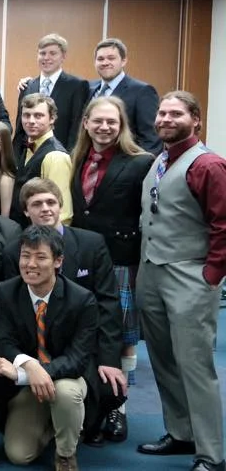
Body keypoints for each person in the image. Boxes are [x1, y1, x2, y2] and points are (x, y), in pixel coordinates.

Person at [136, 91, 226, 471]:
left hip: (190, 275)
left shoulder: (208, 165)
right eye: (162, 113)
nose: (165, 119)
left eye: (176, 113)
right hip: (152, 272)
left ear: (196, 120)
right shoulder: (160, 159)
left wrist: (211, 275)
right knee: (163, 360)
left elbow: (223, 226)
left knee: (194, 364)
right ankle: (180, 432)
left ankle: (212, 453)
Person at [0, 225, 98, 470]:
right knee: (19, 455)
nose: (30, 264)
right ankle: (59, 426)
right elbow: (2, 340)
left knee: (63, 393)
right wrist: (30, 366)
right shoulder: (8, 290)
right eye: (25, 256)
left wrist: (29, 373)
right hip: (32, 380)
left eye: (40, 257)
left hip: (69, 378)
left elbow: (77, 358)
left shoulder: (82, 299)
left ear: (58, 261)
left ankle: (65, 455)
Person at [70, 96, 153, 444]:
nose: (105, 127)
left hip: (119, 260)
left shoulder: (141, 162)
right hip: (81, 259)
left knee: (122, 338)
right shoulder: (75, 161)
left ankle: (119, 407)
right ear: (86, 123)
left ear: (122, 126)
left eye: (112, 122)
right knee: (87, 333)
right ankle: (93, 403)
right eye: (98, 121)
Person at [14, 33, 88, 151]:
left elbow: (77, 129)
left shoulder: (77, 86)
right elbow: (19, 130)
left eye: (53, 53)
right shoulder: (27, 86)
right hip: (28, 156)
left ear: (63, 56)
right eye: (42, 53)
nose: (46, 58)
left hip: (61, 156)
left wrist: (70, 159)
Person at [88, 37, 161, 154]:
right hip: (90, 162)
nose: (105, 62)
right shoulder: (88, 88)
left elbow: (151, 139)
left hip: (124, 163)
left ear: (123, 61)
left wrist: (142, 166)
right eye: (100, 59)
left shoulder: (142, 91)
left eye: (111, 58)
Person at [10, 93, 73, 227]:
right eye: (26, 115)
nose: (31, 121)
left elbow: (63, 213)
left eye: (38, 116)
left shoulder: (56, 156)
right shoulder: (27, 146)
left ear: (52, 118)